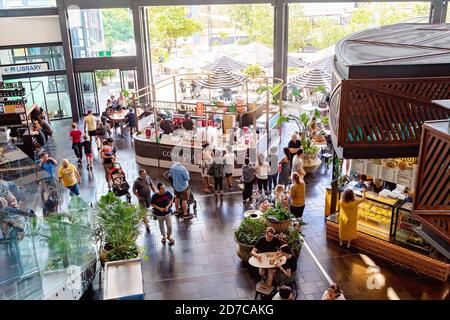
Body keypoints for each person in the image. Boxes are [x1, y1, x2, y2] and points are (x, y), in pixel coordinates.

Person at [133, 169, 157, 233]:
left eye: (145, 173)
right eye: (143, 174)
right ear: (140, 175)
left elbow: (151, 185)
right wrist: (138, 197)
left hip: (148, 197)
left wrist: (155, 192)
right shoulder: (137, 181)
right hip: (142, 199)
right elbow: (134, 190)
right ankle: (147, 225)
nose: (145, 175)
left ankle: (152, 216)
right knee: (143, 211)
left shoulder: (148, 177)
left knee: (150, 207)